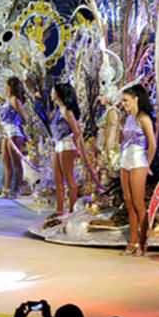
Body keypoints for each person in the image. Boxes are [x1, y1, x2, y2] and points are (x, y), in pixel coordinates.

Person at [48, 83, 98, 219]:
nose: (51, 93)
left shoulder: (67, 111)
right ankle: (59, 210)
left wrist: (80, 150)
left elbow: (76, 132)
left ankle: (73, 210)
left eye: (53, 91)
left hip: (67, 145)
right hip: (58, 145)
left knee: (69, 179)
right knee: (57, 179)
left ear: (59, 94)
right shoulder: (58, 110)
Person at [118, 84, 157, 255]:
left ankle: (143, 240)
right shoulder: (127, 119)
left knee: (139, 203)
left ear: (136, 99)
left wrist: (147, 164)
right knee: (128, 202)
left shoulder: (144, 118)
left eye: (126, 100)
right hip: (124, 161)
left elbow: (153, 145)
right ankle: (133, 239)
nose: (123, 103)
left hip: (138, 161)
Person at [0, 76, 31, 198]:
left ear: (10, 87)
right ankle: (6, 189)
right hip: (6, 133)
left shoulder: (14, 100)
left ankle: (17, 189)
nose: (4, 87)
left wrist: (24, 131)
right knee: (5, 160)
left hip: (13, 132)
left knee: (16, 162)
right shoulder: (7, 100)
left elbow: (23, 117)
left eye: (6, 84)